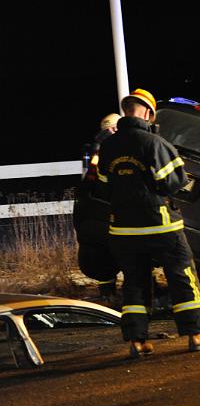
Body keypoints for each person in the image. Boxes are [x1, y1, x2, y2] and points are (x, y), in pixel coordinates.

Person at [97, 88, 200, 357]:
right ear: (149, 113)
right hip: (160, 226)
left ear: (126, 111)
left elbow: (103, 188)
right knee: (182, 274)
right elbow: (173, 183)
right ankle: (196, 334)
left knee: (135, 282)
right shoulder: (155, 144)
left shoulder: (108, 146)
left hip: (123, 229)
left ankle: (137, 341)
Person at [74, 112, 122, 299]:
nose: (110, 132)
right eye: (108, 130)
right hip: (104, 211)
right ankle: (108, 293)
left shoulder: (113, 148)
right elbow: (91, 178)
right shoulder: (98, 152)